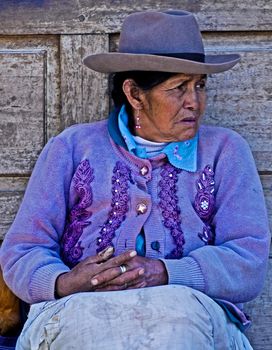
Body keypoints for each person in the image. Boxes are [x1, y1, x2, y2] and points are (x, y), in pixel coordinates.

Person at [0, 9, 270, 350]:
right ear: (134, 93)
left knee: (177, 319)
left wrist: (166, 272)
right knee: (83, 325)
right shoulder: (71, 148)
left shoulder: (226, 151)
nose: (195, 102)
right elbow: (23, 250)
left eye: (200, 85)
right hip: (80, 311)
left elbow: (248, 260)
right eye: (179, 88)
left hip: (191, 318)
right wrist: (66, 282)